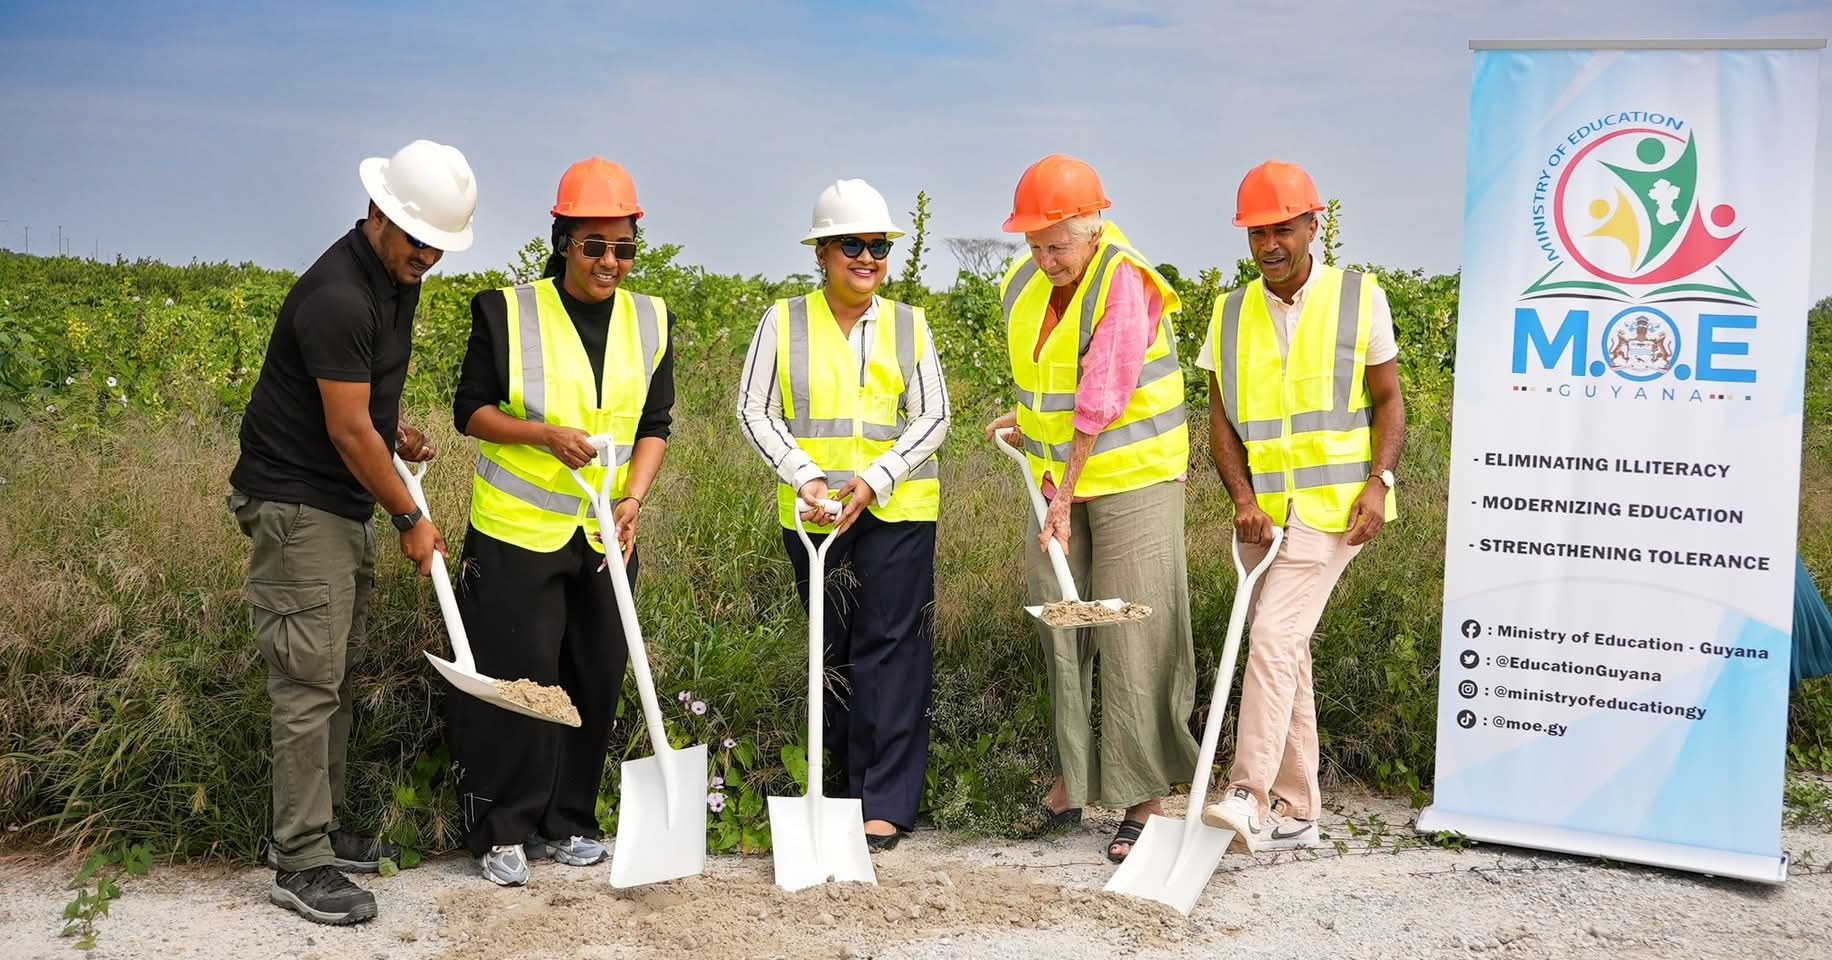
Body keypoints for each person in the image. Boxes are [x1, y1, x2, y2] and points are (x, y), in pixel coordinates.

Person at [227, 138, 477, 925]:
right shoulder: (340, 294)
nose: (428, 257)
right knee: (306, 684)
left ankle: (321, 833)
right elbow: (341, 429)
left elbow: (356, 403)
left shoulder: (394, 277)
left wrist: (391, 429)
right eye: (417, 240)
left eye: (439, 245)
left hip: (338, 503)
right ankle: (299, 860)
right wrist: (411, 515)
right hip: (299, 504)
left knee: (329, 674)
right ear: (378, 214)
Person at [447, 157, 676, 885]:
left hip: (606, 534)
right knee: (523, 679)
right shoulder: (505, 310)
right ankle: (502, 829)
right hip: (518, 530)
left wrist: (634, 497)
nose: (610, 262)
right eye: (594, 245)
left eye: (623, 247)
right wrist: (544, 435)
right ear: (563, 240)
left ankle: (567, 820)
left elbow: (655, 423)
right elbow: (471, 412)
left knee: (594, 674)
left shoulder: (650, 318)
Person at [986, 154, 1195, 863]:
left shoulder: (1122, 279)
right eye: (1036, 244)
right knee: (1063, 617)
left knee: (1127, 623)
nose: (1046, 258)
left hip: (1132, 478)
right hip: (1056, 475)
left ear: (1093, 228)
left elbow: (1101, 397)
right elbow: (1046, 376)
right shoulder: (1025, 280)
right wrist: (1022, 422)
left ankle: (1142, 797)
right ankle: (1071, 782)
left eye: (1058, 245)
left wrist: (1066, 497)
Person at [736, 178, 949, 851]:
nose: (868, 258)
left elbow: (934, 416)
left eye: (878, 246)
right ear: (823, 252)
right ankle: (835, 793)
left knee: (892, 650)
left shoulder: (911, 324)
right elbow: (753, 409)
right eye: (852, 245)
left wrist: (879, 477)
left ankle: (882, 804)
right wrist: (805, 475)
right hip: (816, 514)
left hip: (899, 508)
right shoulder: (783, 320)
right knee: (832, 648)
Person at [1198, 160, 1405, 852]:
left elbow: (1389, 401)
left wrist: (1382, 481)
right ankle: (1299, 806)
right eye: (1257, 233)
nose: (1268, 245)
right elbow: (1221, 421)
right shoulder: (1228, 313)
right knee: (1289, 653)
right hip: (1264, 516)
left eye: (1281, 228)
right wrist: (1241, 499)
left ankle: (1249, 795)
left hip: (1331, 510)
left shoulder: (1358, 297)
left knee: (1273, 641)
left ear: (1314, 225)